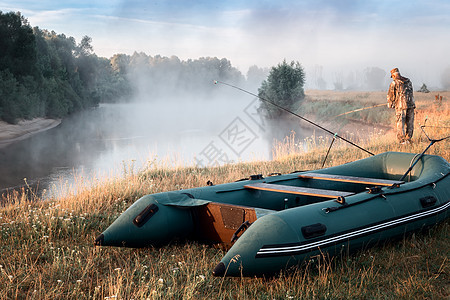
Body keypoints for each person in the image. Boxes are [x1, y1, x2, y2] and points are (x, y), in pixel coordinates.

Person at [387, 68, 415, 144]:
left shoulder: (394, 83)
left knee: (400, 124)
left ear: (393, 75)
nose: (392, 78)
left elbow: (390, 95)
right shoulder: (408, 81)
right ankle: (408, 139)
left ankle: (402, 141)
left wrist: (390, 104)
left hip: (401, 106)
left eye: (392, 76)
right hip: (411, 105)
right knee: (410, 123)